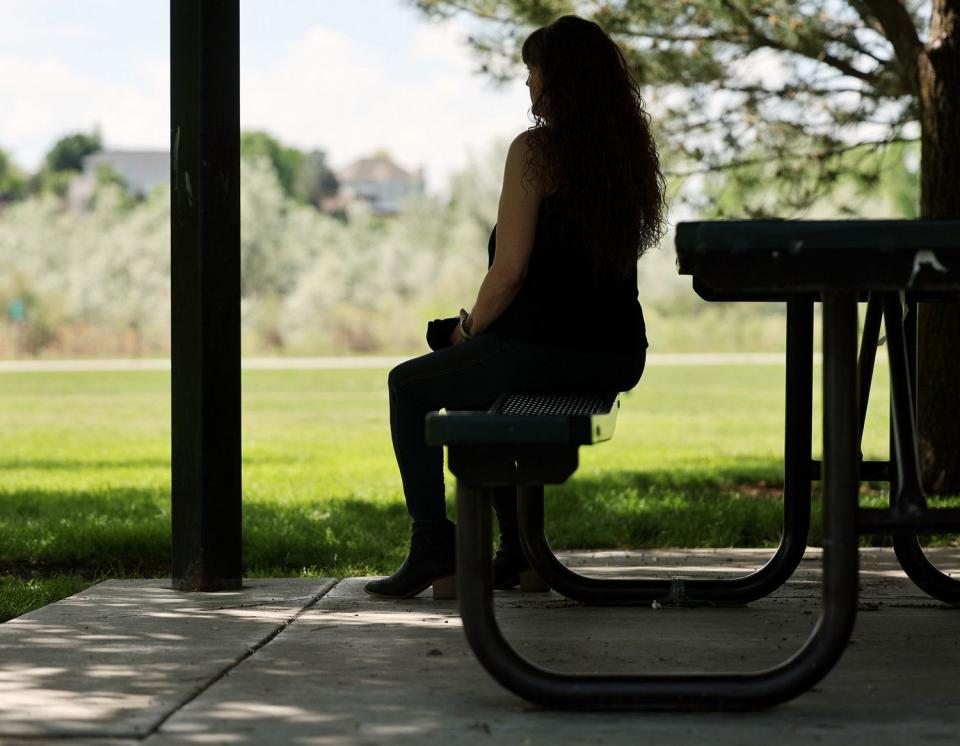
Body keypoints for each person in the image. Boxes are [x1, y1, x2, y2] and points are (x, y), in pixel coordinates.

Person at [365, 14, 666, 599]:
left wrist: (466, 330)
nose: (528, 87)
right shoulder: (622, 157)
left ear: (560, 83)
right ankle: (521, 555)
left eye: (534, 73)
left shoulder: (534, 152)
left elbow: (509, 273)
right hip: (616, 355)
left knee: (409, 384)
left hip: (545, 348)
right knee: (480, 383)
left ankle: (434, 544)